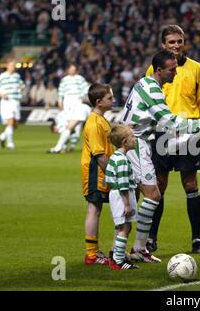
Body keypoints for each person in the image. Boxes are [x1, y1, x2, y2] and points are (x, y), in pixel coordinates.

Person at [123, 49, 200, 262]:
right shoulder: (153, 89)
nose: (176, 73)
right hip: (137, 145)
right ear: (159, 70)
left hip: (133, 142)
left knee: (133, 198)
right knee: (150, 196)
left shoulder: (145, 84)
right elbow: (170, 121)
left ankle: (133, 249)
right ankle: (131, 250)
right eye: (172, 70)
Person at [145, 25, 200, 254]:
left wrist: (193, 126)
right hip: (162, 132)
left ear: (184, 42)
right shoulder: (153, 68)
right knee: (159, 185)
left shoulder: (195, 69)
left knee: (190, 184)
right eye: (171, 42)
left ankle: (196, 238)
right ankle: (152, 238)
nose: (176, 45)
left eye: (179, 41)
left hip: (187, 132)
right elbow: (148, 100)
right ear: (163, 44)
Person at [81, 83, 115, 265]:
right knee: (94, 208)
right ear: (99, 102)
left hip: (102, 171)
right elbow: (99, 155)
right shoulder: (94, 123)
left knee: (97, 209)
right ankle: (91, 255)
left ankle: (94, 252)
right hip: (96, 171)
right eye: (110, 98)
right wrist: (115, 174)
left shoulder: (101, 119)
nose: (113, 100)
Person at [105, 124, 139, 270]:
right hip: (121, 196)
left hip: (116, 194)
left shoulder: (116, 156)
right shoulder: (122, 160)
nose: (135, 138)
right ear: (125, 142)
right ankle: (118, 260)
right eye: (132, 136)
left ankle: (117, 257)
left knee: (123, 226)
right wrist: (126, 204)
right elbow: (124, 184)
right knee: (125, 227)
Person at [48, 64, 89, 153]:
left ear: (76, 70)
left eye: (74, 69)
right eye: (71, 69)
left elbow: (86, 89)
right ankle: (64, 146)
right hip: (67, 102)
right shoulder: (64, 80)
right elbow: (61, 91)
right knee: (67, 125)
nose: (72, 71)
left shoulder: (80, 78)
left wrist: (81, 96)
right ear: (68, 70)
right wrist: (60, 101)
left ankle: (63, 147)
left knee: (72, 126)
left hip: (77, 102)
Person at [0, 59, 25, 150]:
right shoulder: (1, 76)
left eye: (14, 65)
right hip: (7, 101)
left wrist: (22, 88)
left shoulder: (17, 76)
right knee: (10, 122)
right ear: (7, 66)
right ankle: (10, 144)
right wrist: (1, 94)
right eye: (11, 65)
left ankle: (2, 136)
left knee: (15, 123)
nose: (13, 67)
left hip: (16, 101)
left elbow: (22, 85)